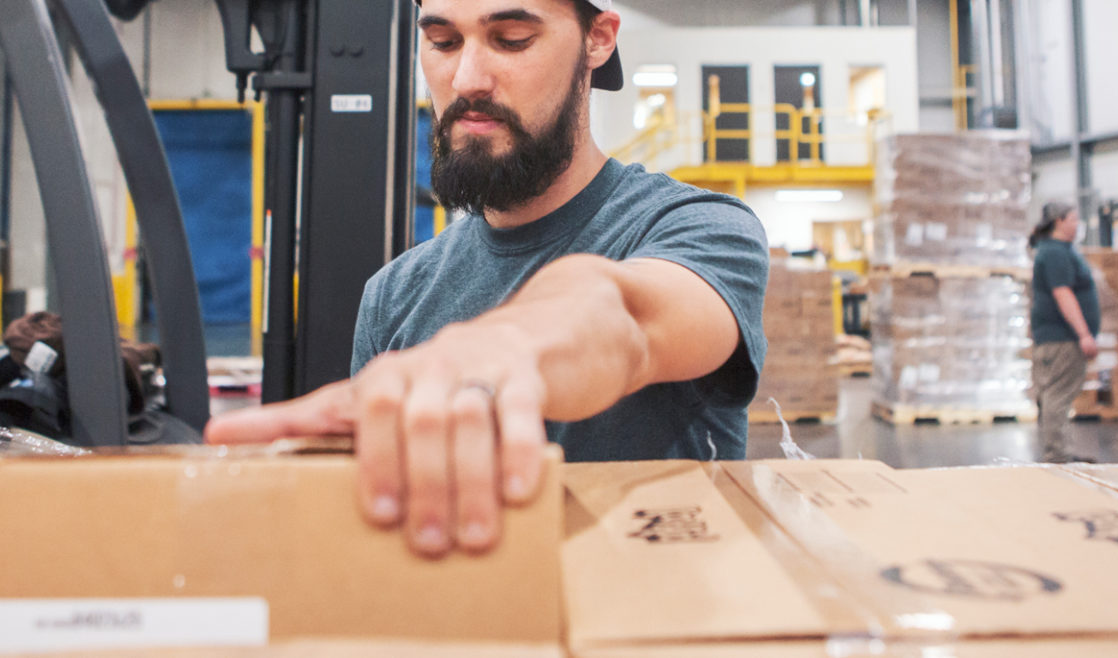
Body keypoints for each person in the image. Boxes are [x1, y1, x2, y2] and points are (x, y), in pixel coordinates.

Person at [204, 0, 768, 557]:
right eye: (444, 42)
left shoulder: (697, 228)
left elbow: (629, 320)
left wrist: (508, 344)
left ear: (598, 39)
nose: (467, 79)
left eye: (512, 39)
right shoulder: (394, 294)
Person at [1027, 201, 1099, 463]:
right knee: (1057, 395)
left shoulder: (1051, 251)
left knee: (1054, 395)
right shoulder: (1056, 253)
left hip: (1055, 337)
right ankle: (1057, 455)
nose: (1077, 224)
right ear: (1058, 221)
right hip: (1062, 337)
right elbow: (1063, 294)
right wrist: (1084, 334)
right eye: (1072, 219)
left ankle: (1060, 451)